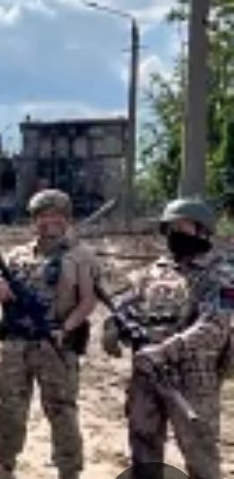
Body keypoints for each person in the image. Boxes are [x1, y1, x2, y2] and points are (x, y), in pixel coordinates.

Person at [104, 198, 232, 479]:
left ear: (202, 230)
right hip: (146, 375)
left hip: (193, 379)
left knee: (200, 457)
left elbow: (215, 325)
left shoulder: (221, 273)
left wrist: (164, 350)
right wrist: (111, 327)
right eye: (170, 227)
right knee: (143, 449)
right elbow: (126, 303)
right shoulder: (154, 271)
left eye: (182, 227)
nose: (175, 233)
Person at [0, 189, 97, 479]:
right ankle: (4, 466)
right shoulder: (18, 255)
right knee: (10, 408)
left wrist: (65, 328)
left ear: (67, 219)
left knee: (62, 411)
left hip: (56, 344)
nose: (50, 221)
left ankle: (69, 471)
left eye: (57, 215)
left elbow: (87, 301)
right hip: (15, 344)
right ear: (34, 220)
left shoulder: (80, 256)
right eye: (43, 216)